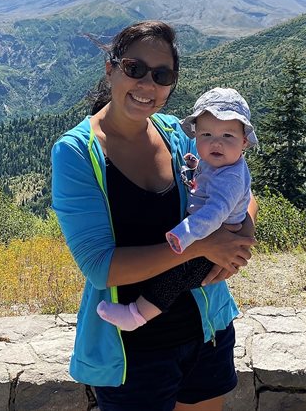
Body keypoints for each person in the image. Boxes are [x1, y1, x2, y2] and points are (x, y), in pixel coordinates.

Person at [51, 21, 257, 411]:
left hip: (206, 328)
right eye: (134, 68)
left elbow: (239, 188)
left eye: (162, 75)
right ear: (110, 69)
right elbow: (100, 268)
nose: (148, 84)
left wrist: (241, 235)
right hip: (131, 354)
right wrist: (205, 247)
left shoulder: (178, 135)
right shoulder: (77, 153)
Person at [96, 87, 257, 332]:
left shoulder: (230, 178)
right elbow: (206, 175)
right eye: (206, 134)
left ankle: (136, 315)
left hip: (210, 235)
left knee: (172, 278)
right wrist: (195, 163)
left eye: (227, 135)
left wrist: (185, 235)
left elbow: (214, 212)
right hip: (213, 239)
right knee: (172, 275)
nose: (216, 142)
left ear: (244, 141)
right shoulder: (222, 162)